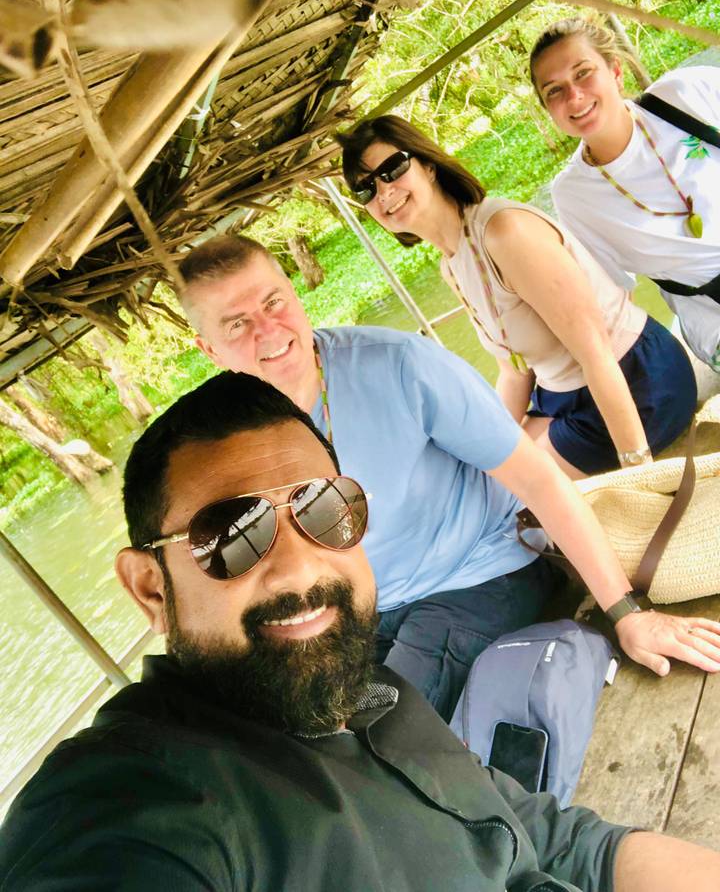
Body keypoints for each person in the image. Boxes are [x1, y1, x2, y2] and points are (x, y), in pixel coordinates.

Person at [2, 372, 719, 891]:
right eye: (229, 535)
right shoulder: (135, 799)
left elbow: (557, 841)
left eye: (324, 509)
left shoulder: (371, 688)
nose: (298, 567)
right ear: (151, 587)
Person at [175, 236, 720, 718]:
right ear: (208, 349)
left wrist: (627, 614)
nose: (268, 330)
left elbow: (539, 481)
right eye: (237, 324)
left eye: (273, 302)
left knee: (386, 726)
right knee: (296, 728)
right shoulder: (227, 438)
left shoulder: (400, 365)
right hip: (361, 610)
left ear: (295, 296)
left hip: (479, 570)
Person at [338, 115, 696, 480]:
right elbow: (513, 372)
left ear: (428, 165)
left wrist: (640, 471)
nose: (383, 191)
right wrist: (482, 455)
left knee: (519, 493)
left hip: (637, 380)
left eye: (392, 169)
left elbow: (596, 351)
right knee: (486, 479)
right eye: (365, 189)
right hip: (561, 396)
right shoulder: (453, 263)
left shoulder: (504, 232)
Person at [528, 16, 720, 372]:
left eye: (583, 73)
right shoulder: (574, 196)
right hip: (713, 316)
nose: (574, 96)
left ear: (615, 71)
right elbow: (614, 295)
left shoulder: (684, 94)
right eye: (554, 90)